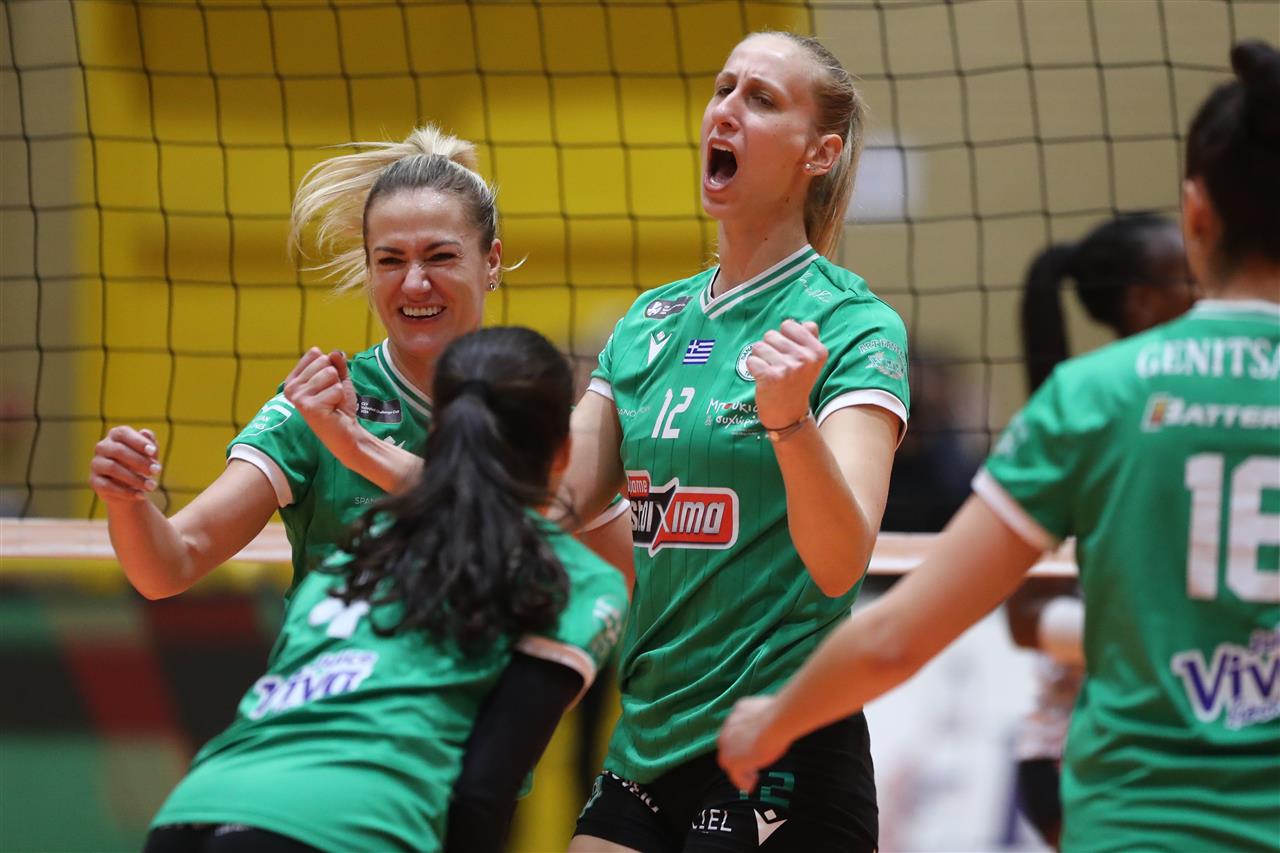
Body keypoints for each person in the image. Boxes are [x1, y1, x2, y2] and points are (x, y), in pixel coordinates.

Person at [719, 40, 1280, 853]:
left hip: (1138, 828)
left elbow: (898, 635)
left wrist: (773, 719)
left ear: (1196, 213)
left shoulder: (1097, 397)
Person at [558, 31, 910, 852]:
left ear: (819, 154)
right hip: (647, 738)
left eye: (761, 99)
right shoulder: (647, 322)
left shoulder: (853, 325)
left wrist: (788, 419)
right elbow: (561, 498)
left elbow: (840, 561)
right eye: (724, 89)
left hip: (783, 738)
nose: (726, 110)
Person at [88, 124, 630, 598]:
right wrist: (125, 499)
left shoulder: (539, 420)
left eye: (440, 256)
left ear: (491, 261)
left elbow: (630, 579)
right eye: (390, 261)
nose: (414, 283)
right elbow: (169, 566)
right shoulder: (319, 405)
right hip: (337, 684)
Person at [143, 326, 629, 852]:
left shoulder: (363, 546)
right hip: (343, 823)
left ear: (436, 437)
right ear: (563, 452)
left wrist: (353, 445)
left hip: (196, 807)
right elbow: (480, 794)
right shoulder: (573, 577)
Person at [1009, 211, 1196, 847]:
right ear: (1143, 302)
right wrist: (1159, 635)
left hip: (1185, 734)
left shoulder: (1210, 415)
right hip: (1074, 746)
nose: (1205, 294)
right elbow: (1022, 616)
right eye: (1188, 278)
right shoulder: (1088, 413)